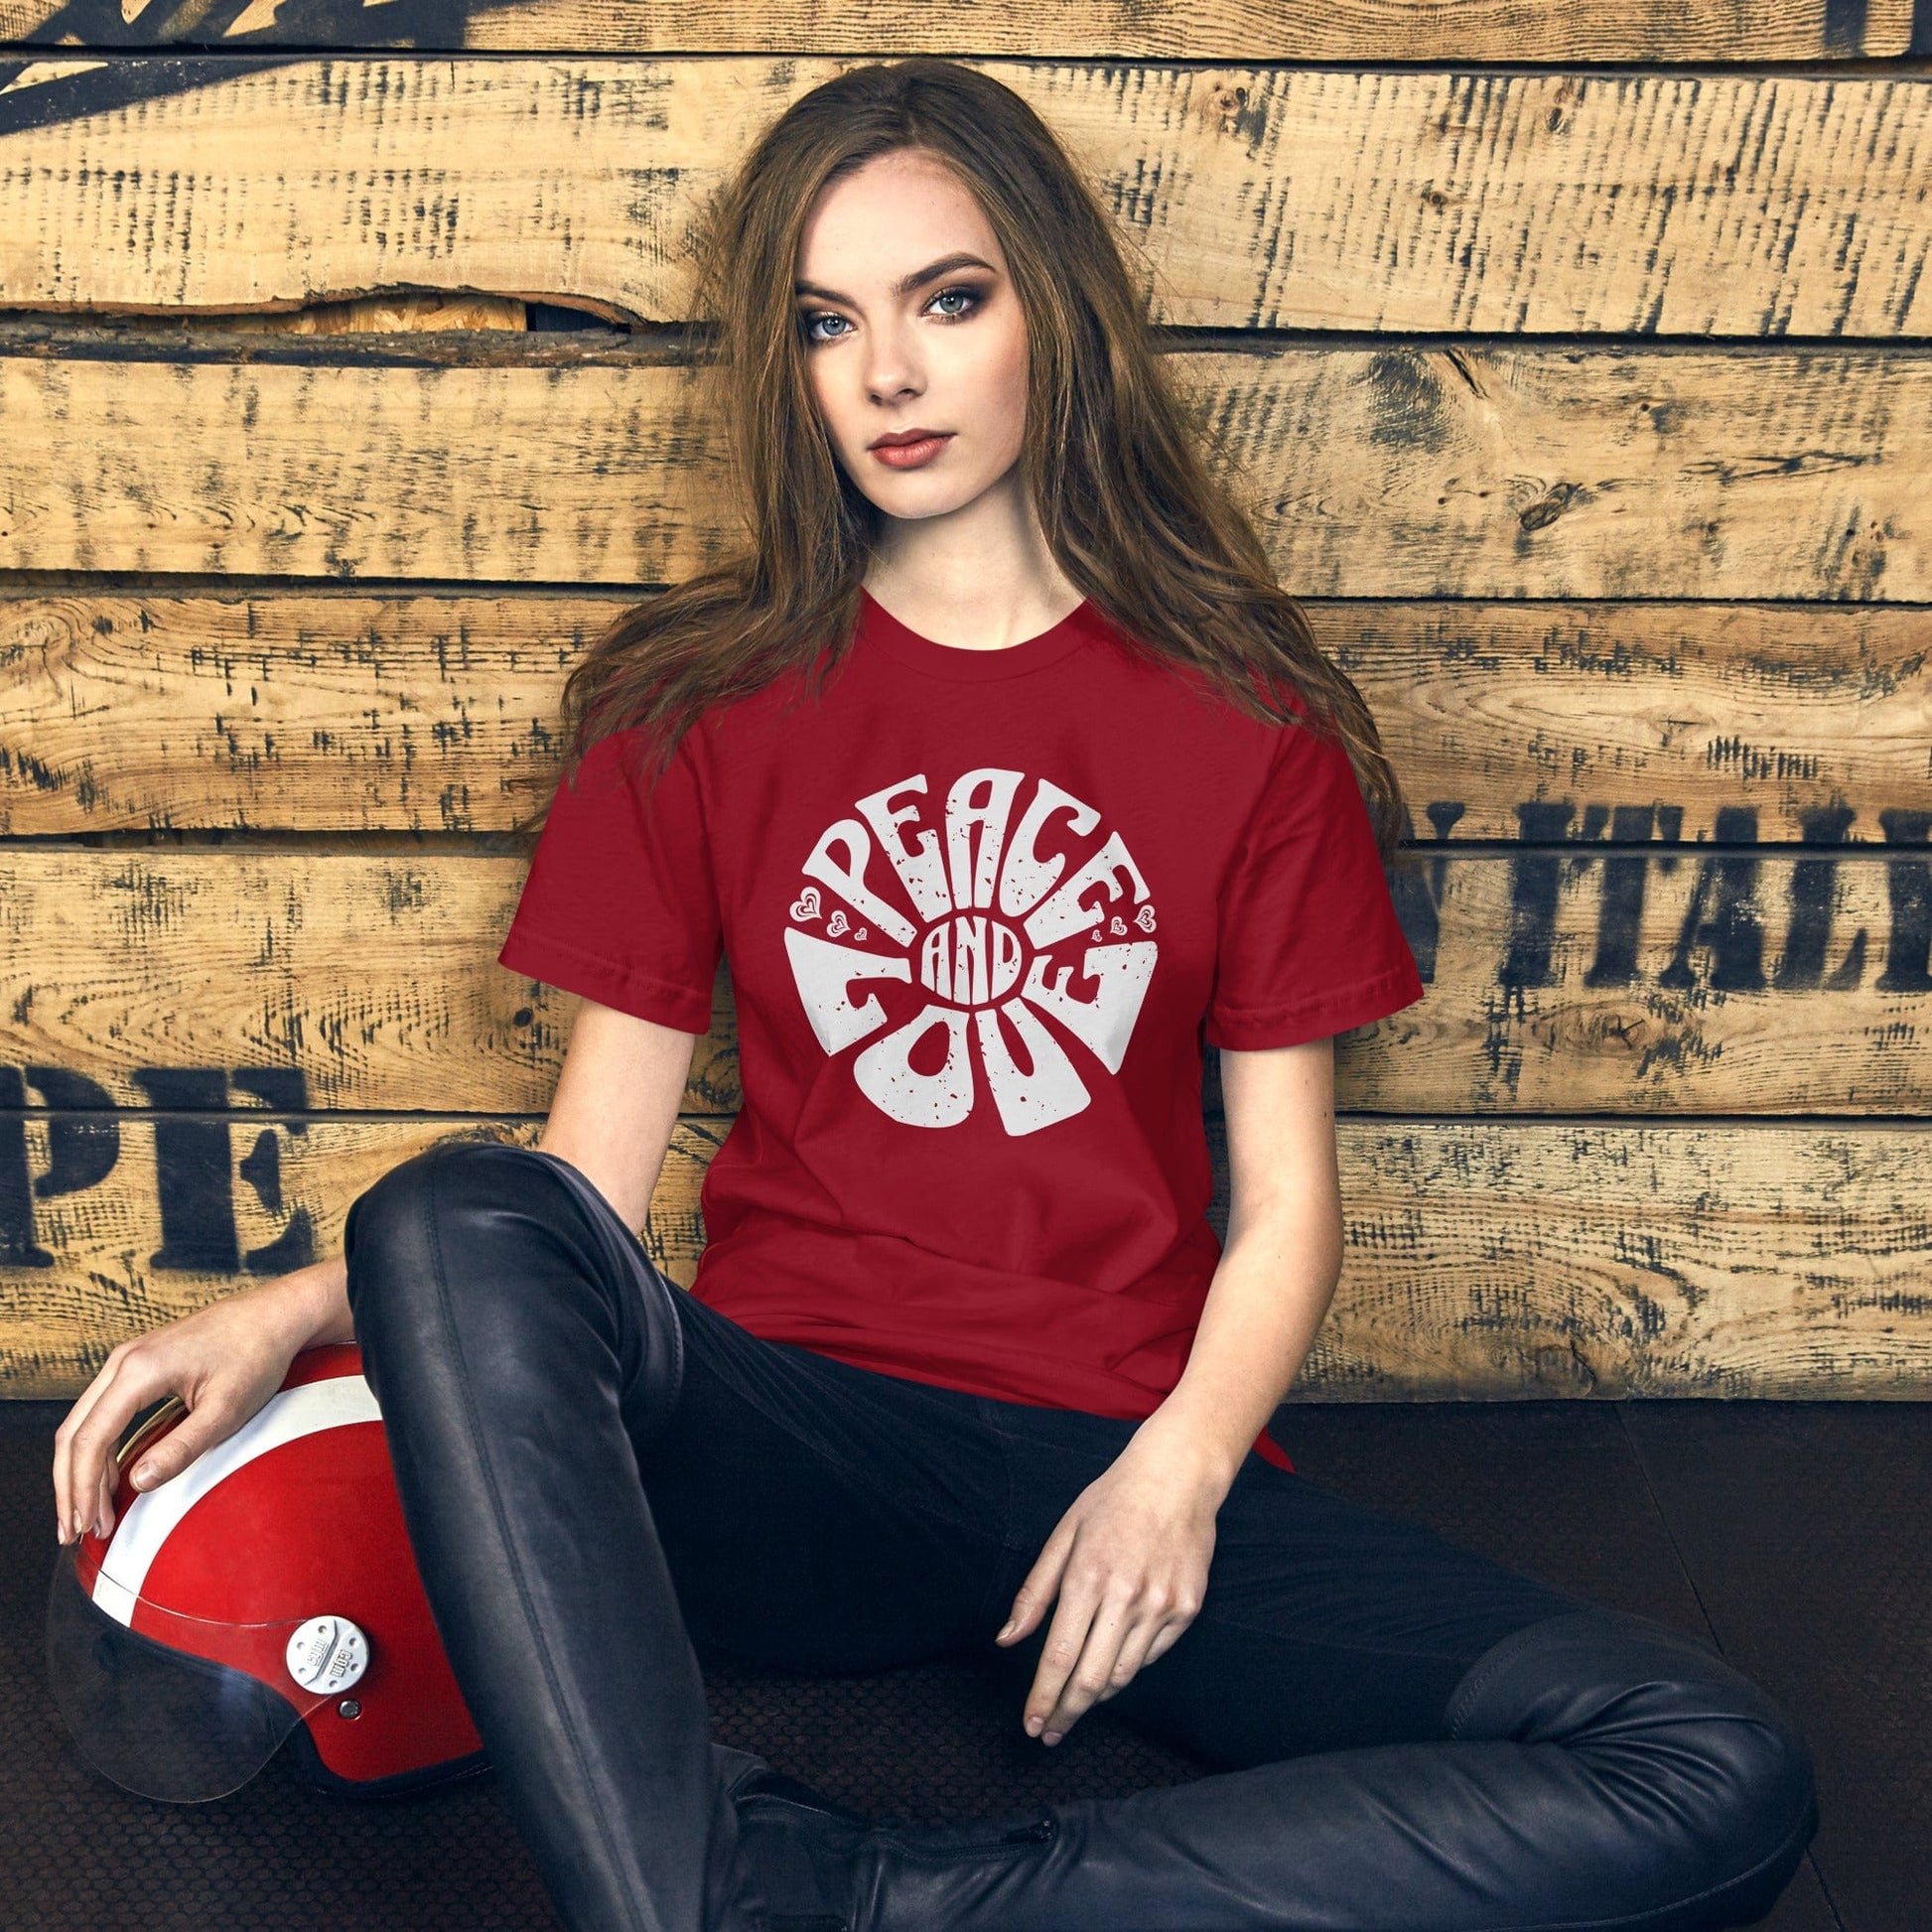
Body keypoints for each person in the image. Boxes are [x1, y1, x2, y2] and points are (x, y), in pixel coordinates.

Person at [53, 56, 1817, 1932]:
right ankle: (691, 1899)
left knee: (1710, 1762)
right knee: (447, 1205)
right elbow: (570, 1200)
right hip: (787, 1443)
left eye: (946, 300)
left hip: (1116, 1457)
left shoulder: (1251, 727)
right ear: (787, 364)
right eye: (829, 322)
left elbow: (1285, 1203)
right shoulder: (695, 711)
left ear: (1049, 311)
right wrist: (308, 1310)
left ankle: (886, 1899)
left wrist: (1175, 1480)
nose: (888, 373)